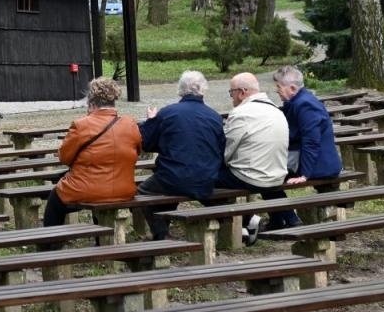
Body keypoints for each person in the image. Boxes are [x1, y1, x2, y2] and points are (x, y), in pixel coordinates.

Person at [136, 69, 225, 239]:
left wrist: (150, 121)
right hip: (206, 176)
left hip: (173, 176)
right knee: (191, 186)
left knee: (144, 192)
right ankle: (230, 217)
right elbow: (221, 149)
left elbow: (146, 143)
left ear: (180, 89)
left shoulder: (167, 113)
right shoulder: (214, 116)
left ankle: (161, 235)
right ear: (203, 89)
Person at [43, 77, 142, 228]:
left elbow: (64, 158)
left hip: (87, 189)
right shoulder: (131, 124)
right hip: (124, 189)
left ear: (91, 103)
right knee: (97, 193)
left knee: (55, 198)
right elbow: (137, 152)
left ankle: (50, 243)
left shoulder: (81, 125)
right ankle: (100, 240)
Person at [217, 72, 291, 245]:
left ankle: (244, 221)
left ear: (242, 92)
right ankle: (281, 219)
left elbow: (226, 150)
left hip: (251, 177)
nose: (232, 97)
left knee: (205, 178)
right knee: (260, 171)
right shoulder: (276, 110)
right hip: (278, 174)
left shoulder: (241, 113)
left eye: (231, 92)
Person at [271, 64, 342, 229]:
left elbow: (311, 141)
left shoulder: (305, 105)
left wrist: (304, 175)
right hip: (310, 161)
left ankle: (288, 218)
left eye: (279, 87)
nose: (277, 91)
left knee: (264, 176)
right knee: (265, 174)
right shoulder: (298, 101)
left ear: (293, 88)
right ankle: (281, 219)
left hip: (319, 166)